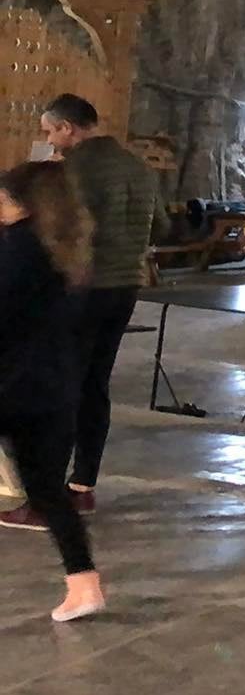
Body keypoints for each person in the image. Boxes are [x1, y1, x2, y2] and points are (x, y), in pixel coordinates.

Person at [34, 95, 155, 518]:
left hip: (83, 288)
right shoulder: (138, 167)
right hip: (125, 286)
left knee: (62, 384)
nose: (49, 140)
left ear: (67, 128)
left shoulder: (75, 169)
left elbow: (63, 232)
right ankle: (83, 484)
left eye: (50, 131)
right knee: (95, 384)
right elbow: (153, 226)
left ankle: (46, 493)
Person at [0, 162, 107, 620]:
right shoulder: (62, 250)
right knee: (46, 489)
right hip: (51, 386)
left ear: (23, 203)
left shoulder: (18, 248)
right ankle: (84, 583)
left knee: (43, 487)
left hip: (11, 385)